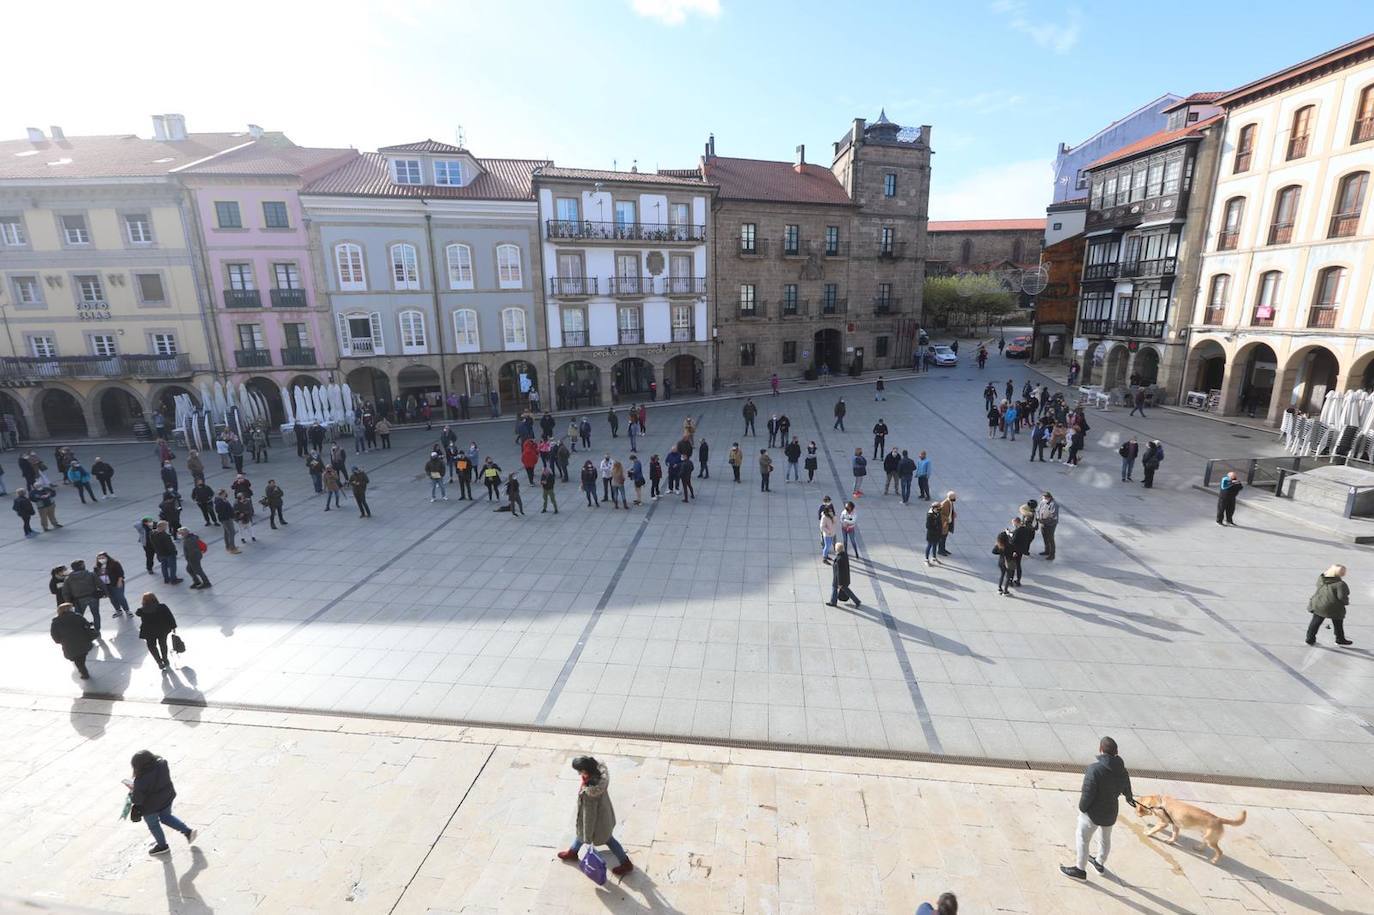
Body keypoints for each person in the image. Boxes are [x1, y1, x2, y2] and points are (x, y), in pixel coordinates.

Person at [1060, 737, 1136, 880]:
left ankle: (1080, 870)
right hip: (1111, 812)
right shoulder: (1122, 770)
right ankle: (1099, 863)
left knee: (1082, 839)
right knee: (1105, 839)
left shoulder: (1094, 769)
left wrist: (1082, 809)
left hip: (1092, 813)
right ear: (1117, 752)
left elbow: (1087, 793)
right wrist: (1129, 797)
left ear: (1100, 750)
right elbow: (1127, 787)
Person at [555, 756, 633, 877]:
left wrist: (588, 836)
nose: (578, 773)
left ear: (586, 770)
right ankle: (573, 852)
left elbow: (589, 817)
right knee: (582, 835)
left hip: (598, 824)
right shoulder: (599, 776)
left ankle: (626, 863)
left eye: (579, 771)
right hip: (604, 815)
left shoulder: (590, 793)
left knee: (607, 840)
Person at [127, 750, 197, 856]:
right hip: (167, 798)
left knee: (154, 825)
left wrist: (132, 791)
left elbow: (137, 800)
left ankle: (162, 846)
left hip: (150, 807)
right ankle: (188, 832)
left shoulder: (140, 781)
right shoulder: (162, 764)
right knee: (166, 817)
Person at [1306, 564, 1353, 646]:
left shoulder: (1321, 579)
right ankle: (1340, 639)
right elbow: (1342, 597)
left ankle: (1310, 639)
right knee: (1338, 622)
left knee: (1315, 622)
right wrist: (1346, 602)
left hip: (1318, 603)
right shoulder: (1340, 584)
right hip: (1333, 606)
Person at [51, 603, 96, 679]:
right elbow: (86, 625)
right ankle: (83, 670)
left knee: (77, 659)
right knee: (81, 657)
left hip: (68, 645)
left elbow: (54, 635)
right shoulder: (77, 617)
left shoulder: (56, 622)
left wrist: (60, 641)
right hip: (82, 642)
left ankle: (83, 672)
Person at [136, 591, 178, 670]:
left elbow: (137, 613)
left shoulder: (141, 610)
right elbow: (170, 616)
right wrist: (173, 626)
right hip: (162, 629)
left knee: (151, 646)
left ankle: (158, 661)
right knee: (163, 644)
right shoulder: (162, 607)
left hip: (149, 631)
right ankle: (165, 659)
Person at [826, 542, 861, 608]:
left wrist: (839, 583)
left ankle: (857, 601)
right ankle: (833, 602)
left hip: (839, 579)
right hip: (844, 577)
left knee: (841, 589)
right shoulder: (844, 555)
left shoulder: (839, 559)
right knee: (843, 589)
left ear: (837, 549)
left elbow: (839, 572)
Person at [96, 552, 130, 618]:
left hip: (116, 583)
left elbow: (120, 573)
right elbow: (96, 577)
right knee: (112, 598)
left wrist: (119, 581)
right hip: (106, 586)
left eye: (103, 558)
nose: (101, 559)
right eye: (99, 558)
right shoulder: (97, 567)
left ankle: (127, 610)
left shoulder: (114, 563)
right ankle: (118, 610)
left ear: (107, 557)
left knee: (120, 597)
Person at [1035, 491, 1059, 561]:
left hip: (1050, 524)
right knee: (1045, 537)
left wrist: (1043, 520)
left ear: (1048, 497)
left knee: (1050, 539)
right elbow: (1038, 510)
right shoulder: (1043, 502)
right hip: (1042, 523)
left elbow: (1053, 516)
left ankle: (1052, 554)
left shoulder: (1054, 504)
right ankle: (1047, 550)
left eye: (1044, 498)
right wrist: (1038, 517)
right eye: (1043, 498)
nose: (1043, 500)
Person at [1010, 517, 1034, 586]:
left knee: (1012, 565)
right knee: (1018, 565)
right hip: (1021, 549)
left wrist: (1010, 535)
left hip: (1015, 550)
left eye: (1013, 523)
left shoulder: (1017, 530)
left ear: (1016, 522)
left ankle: (1010, 579)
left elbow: (1013, 541)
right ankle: (1018, 580)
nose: (1013, 525)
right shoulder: (1026, 529)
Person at [937, 492, 957, 556]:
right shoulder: (944, 504)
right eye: (953, 498)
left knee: (944, 537)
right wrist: (947, 518)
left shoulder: (950, 502)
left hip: (948, 523)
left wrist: (953, 513)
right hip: (944, 524)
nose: (954, 499)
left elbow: (950, 510)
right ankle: (940, 550)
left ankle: (943, 549)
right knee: (942, 537)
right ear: (950, 497)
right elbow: (940, 514)